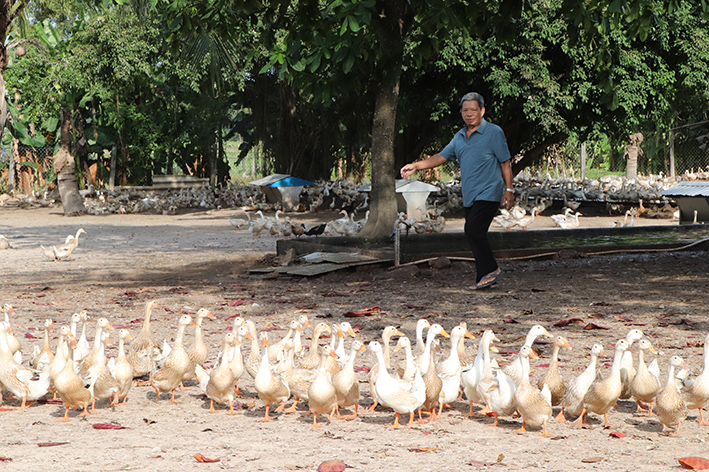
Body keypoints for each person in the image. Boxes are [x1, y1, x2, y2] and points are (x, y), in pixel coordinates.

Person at [400, 92, 514, 290]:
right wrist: (416, 166)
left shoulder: (494, 132)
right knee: (473, 232)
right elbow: (441, 157)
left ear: (482, 111)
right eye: (465, 110)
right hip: (470, 194)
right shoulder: (460, 136)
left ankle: (491, 270)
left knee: (473, 230)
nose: (469, 114)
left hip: (489, 191)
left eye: (473, 110)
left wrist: (509, 189)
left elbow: (505, 163)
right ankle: (483, 277)